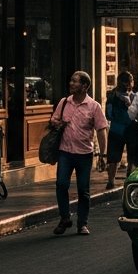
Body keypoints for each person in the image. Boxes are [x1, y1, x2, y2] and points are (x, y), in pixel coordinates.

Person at [49, 71, 107, 236]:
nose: (71, 84)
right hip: (65, 152)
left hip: (84, 154)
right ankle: (65, 218)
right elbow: (54, 119)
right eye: (71, 81)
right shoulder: (64, 102)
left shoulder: (94, 106)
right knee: (61, 185)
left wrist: (103, 155)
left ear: (84, 86)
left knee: (83, 190)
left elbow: (101, 131)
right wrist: (56, 123)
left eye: (75, 82)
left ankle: (82, 224)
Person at [103, 72, 134, 189]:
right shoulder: (133, 96)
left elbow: (108, 115)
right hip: (130, 128)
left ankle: (111, 181)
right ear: (128, 82)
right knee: (131, 156)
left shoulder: (111, 95)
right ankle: (129, 178)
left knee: (113, 157)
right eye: (131, 80)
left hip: (116, 129)